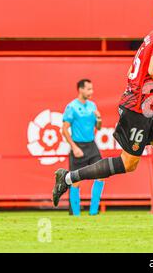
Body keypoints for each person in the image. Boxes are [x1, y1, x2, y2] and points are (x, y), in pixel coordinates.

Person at [53, 0, 153, 230]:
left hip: (147, 105)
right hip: (137, 109)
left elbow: (133, 72)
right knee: (128, 163)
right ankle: (67, 178)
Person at [62, 79, 104, 216]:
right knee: (75, 181)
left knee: (102, 174)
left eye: (92, 89)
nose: (91, 92)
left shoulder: (92, 106)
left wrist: (99, 119)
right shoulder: (71, 107)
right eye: (88, 89)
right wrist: (74, 147)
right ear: (80, 89)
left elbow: (98, 127)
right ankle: (75, 214)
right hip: (78, 146)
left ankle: (93, 212)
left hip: (91, 146)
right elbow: (64, 129)